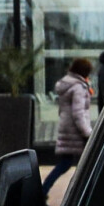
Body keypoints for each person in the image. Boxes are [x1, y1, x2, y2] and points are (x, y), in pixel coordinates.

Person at [42, 57, 95, 196]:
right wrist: (88, 133)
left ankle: (43, 191)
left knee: (66, 163)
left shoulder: (66, 84)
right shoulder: (78, 87)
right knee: (86, 163)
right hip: (76, 131)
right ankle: (82, 195)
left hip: (67, 128)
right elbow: (78, 113)